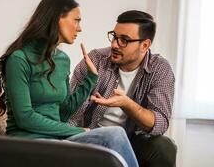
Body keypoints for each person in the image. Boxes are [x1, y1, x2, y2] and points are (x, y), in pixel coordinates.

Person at [0, 0, 138, 167]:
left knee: (116, 133)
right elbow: (25, 117)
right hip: (27, 142)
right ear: (57, 19)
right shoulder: (19, 59)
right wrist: (76, 130)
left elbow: (63, 112)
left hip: (58, 138)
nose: (80, 28)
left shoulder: (62, 59)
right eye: (76, 20)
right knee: (106, 140)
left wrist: (91, 79)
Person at [69, 10, 177, 167]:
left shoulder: (160, 69)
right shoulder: (95, 60)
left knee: (164, 146)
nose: (114, 44)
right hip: (92, 135)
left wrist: (127, 104)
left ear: (145, 45)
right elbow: (71, 113)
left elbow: (159, 123)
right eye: (114, 36)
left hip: (133, 141)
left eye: (124, 40)